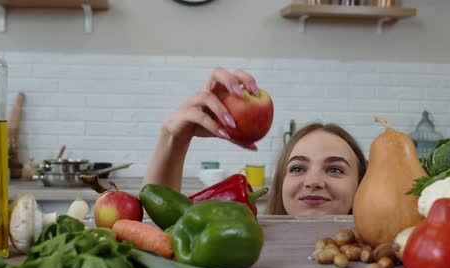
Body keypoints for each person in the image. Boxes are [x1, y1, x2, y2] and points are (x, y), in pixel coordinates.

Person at [144, 67, 367, 216]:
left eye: (335, 170)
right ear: (281, 183)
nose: (313, 182)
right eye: (298, 168)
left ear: (363, 186)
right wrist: (174, 139)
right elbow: (162, 228)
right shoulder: (247, 242)